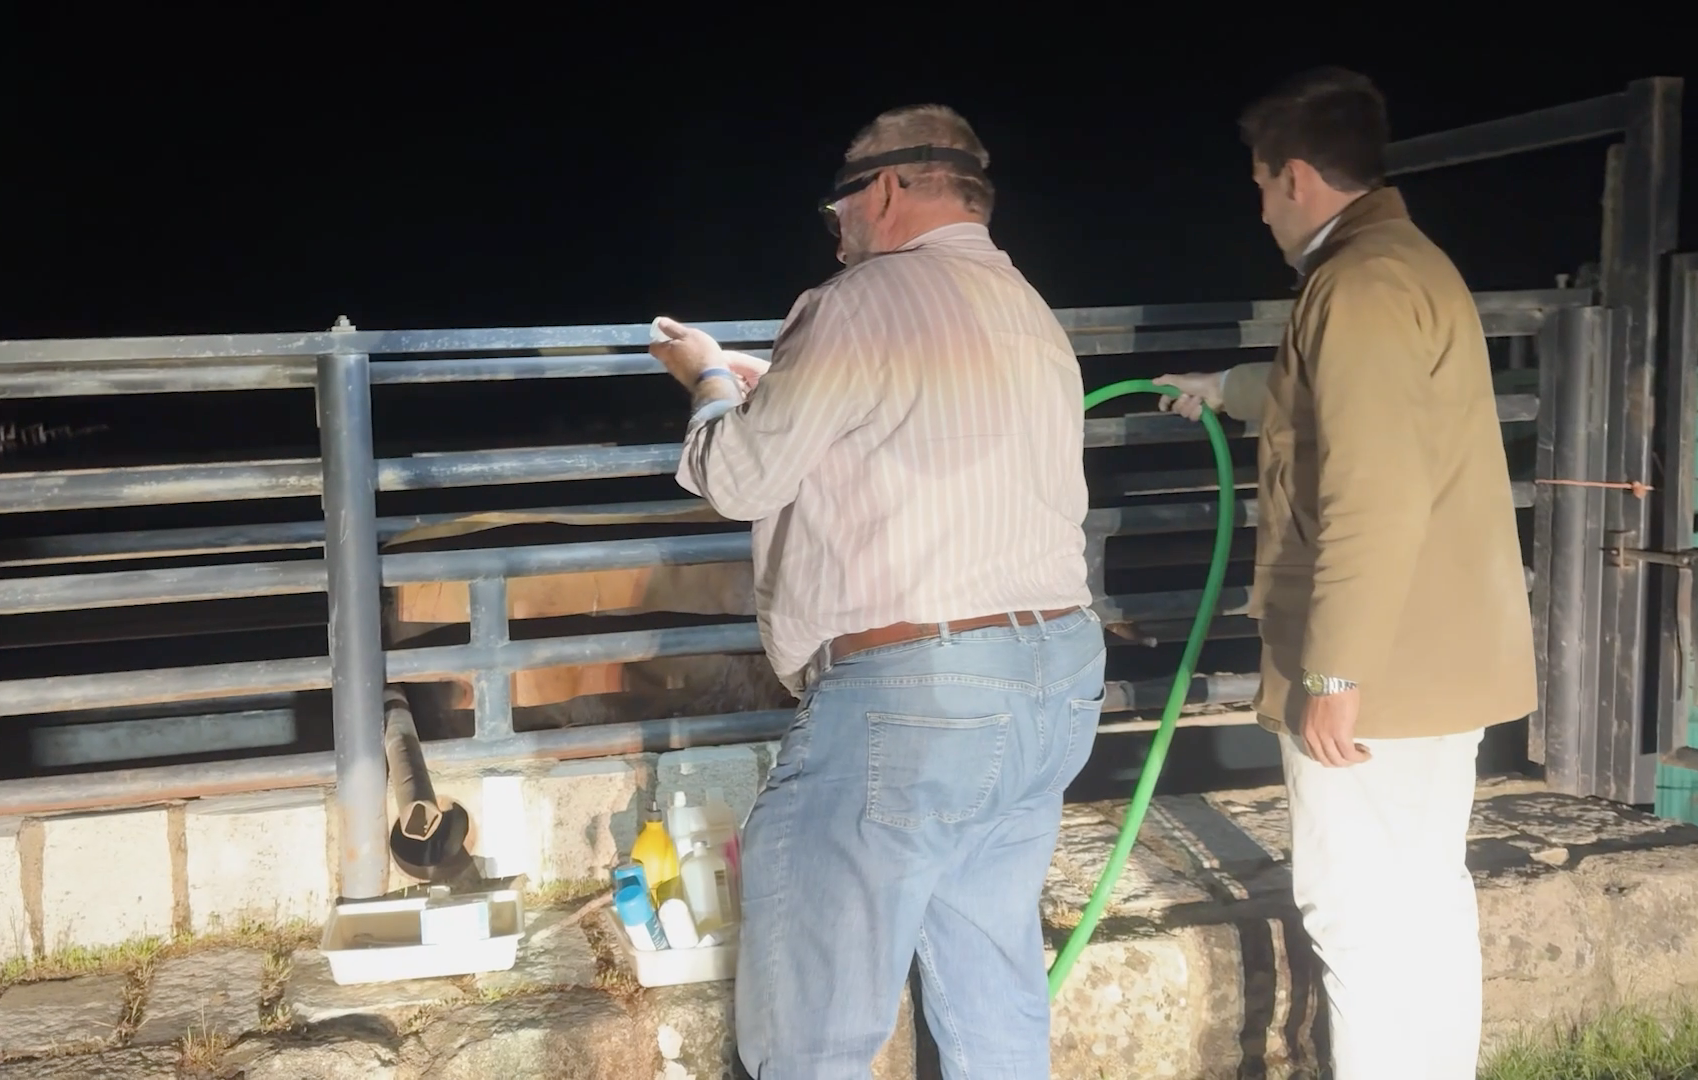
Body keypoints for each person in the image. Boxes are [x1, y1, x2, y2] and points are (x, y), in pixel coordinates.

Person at [647, 104, 1102, 1078]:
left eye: (840, 201)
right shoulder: (1026, 307)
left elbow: (738, 478)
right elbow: (910, 417)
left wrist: (709, 383)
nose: (836, 223)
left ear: (888, 187)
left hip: (914, 700)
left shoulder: (859, 302)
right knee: (993, 997)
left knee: (816, 1025)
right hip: (1052, 680)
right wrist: (785, 379)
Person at [1153, 67, 1537, 1080]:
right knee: (1421, 900)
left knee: (1358, 914)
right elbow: (1324, 394)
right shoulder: (1400, 265)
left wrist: (1335, 675)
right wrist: (1223, 388)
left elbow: (1373, 490)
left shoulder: (1357, 286)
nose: (1262, 206)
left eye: (1262, 184)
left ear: (1295, 178)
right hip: (1432, 663)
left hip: (1386, 678)